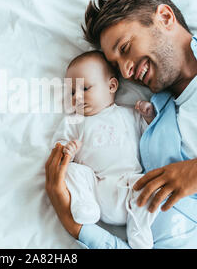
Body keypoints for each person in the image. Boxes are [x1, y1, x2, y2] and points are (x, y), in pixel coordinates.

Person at [45, 0, 197, 248]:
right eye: (115, 66)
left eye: (124, 48)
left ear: (165, 17)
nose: (126, 72)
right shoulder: (156, 146)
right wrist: (75, 225)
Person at [52, 51, 158, 248]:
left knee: (153, 186)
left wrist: (149, 116)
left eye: (85, 88)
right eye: (72, 92)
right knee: (72, 171)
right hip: (98, 190)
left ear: (111, 86)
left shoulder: (128, 114)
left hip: (132, 186)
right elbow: (58, 148)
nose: (78, 97)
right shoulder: (75, 121)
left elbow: (151, 137)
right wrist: (69, 151)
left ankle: (139, 228)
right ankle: (84, 205)